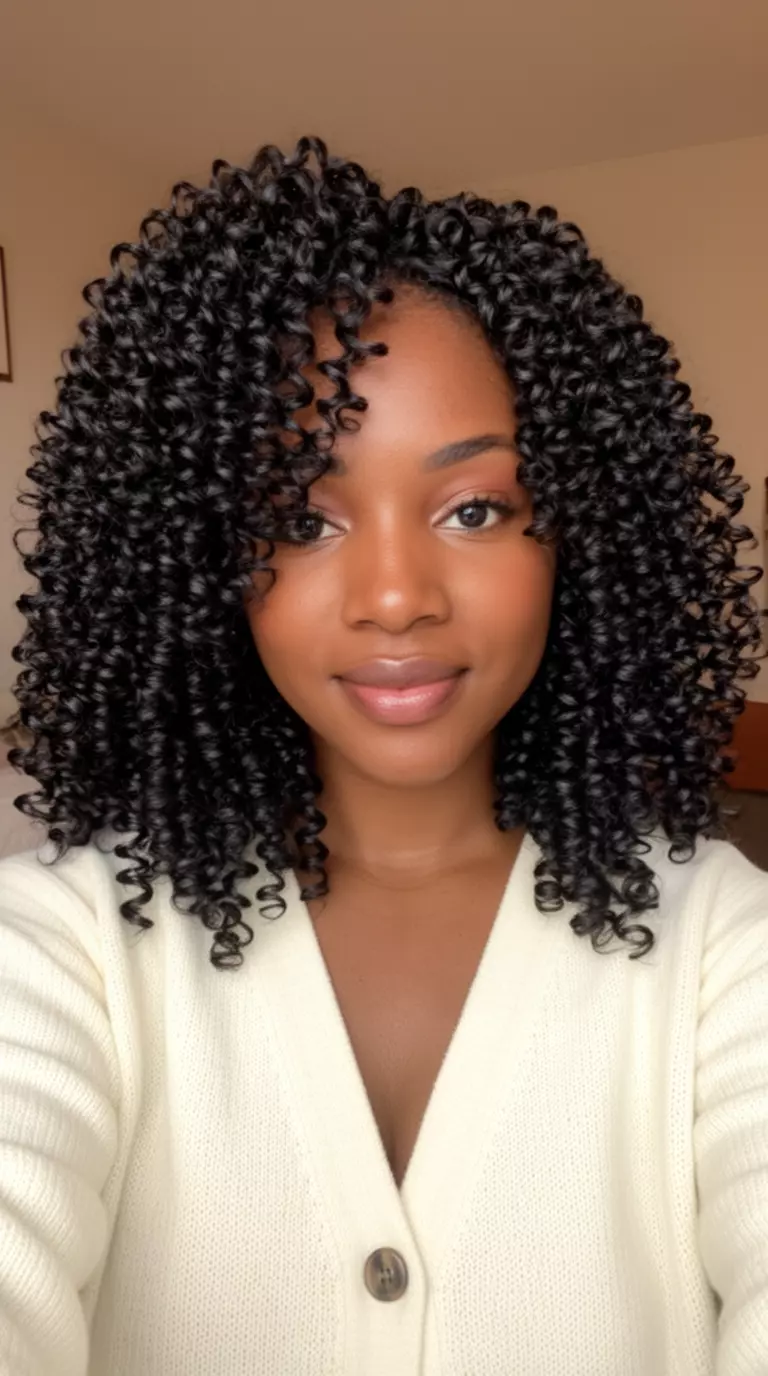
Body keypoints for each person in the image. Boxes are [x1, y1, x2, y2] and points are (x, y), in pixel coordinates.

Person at [0, 135, 766, 1376]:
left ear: (579, 536)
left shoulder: (723, 947)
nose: (397, 594)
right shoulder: (64, 948)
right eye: (301, 518)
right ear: (195, 557)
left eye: (474, 509)